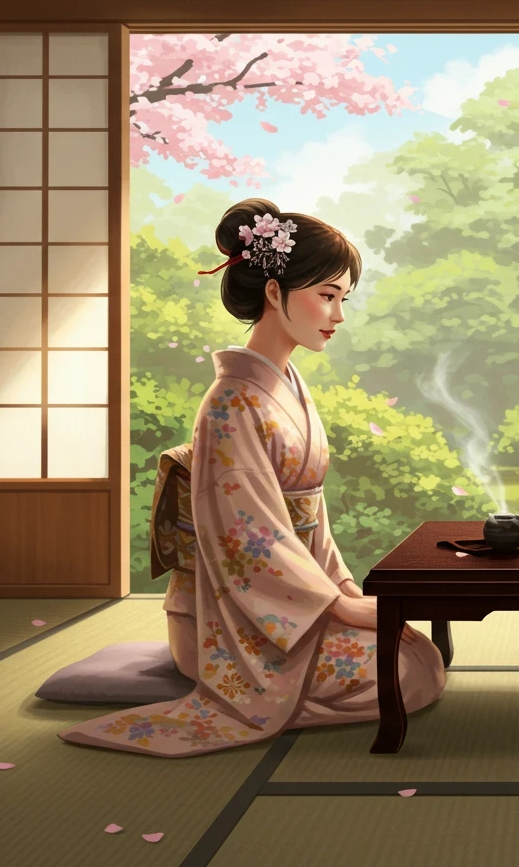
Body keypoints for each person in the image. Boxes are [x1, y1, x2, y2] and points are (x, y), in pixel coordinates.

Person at [60, 199, 446, 756]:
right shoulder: (232, 401)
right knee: (405, 672)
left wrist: (342, 591)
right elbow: (249, 536)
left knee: (416, 659)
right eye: (327, 297)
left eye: (342, 300)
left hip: (298, 598)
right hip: (238, 616)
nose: (337, 316)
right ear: (274, 293)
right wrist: (339, 608)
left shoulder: (286, 384)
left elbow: (309, 521)